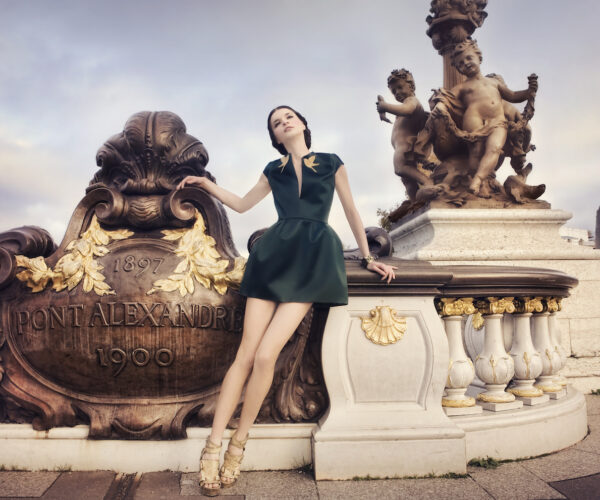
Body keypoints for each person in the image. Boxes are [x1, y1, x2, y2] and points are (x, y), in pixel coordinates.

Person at [177, 105, 397, 496]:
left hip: (314, 258)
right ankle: (213, 448)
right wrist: (207, 185)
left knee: (266, 356)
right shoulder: (272, 169)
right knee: (245, 354)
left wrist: (368, 258)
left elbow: (349, 210)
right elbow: (244, 204)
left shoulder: (331, 162)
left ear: (304, 125)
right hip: (274, 256)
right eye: (277, 123)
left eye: (289, 117)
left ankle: (239, 443)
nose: (284, 123)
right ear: (275, 136)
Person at [442, 39, 537, 197]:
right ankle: (481, 183)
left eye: (469, 58)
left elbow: (513, 95)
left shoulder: (494, 82)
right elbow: (446, 99)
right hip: (473, 118)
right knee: (476, 151)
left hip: (498, 121)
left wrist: (528, 92)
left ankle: (478, 179)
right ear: (458, 69)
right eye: (460, 63)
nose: (465, 63)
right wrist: (439, 103)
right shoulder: (461, 87)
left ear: (479, 57)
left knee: (495, 148)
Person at [376, 69, 434, 200]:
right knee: (407, 180)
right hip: (400, 147)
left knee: (400, 168)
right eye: (394, 91)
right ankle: (414, 201)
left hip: (406, 146)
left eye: (400, 87)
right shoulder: (400, 109)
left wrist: (385, 107)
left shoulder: (412, 101)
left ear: (411, 85)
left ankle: (427, 182)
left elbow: (406, 110)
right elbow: (383, 102)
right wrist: (382, 112)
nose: (397, 93)